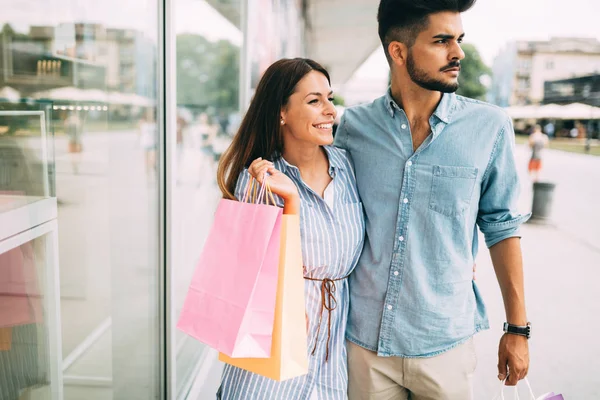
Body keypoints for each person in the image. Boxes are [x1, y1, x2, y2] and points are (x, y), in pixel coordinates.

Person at [334, 0, 531, 398]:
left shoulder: (488, 127)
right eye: (441, 41)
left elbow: (502, 229)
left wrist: (517, 329)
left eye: (458, 39)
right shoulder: (353, 128)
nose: (457, 53)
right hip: (365, 342)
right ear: (399, 51)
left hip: (445, 342)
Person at [216, 58, 365, 399]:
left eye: (330, 98)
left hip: (332, 354)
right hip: (271, 353)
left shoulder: (348, 166)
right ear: (281, 112)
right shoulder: (259, 181)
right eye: (314, 101)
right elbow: (260, 279)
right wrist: (292, 203)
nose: (330, 110)